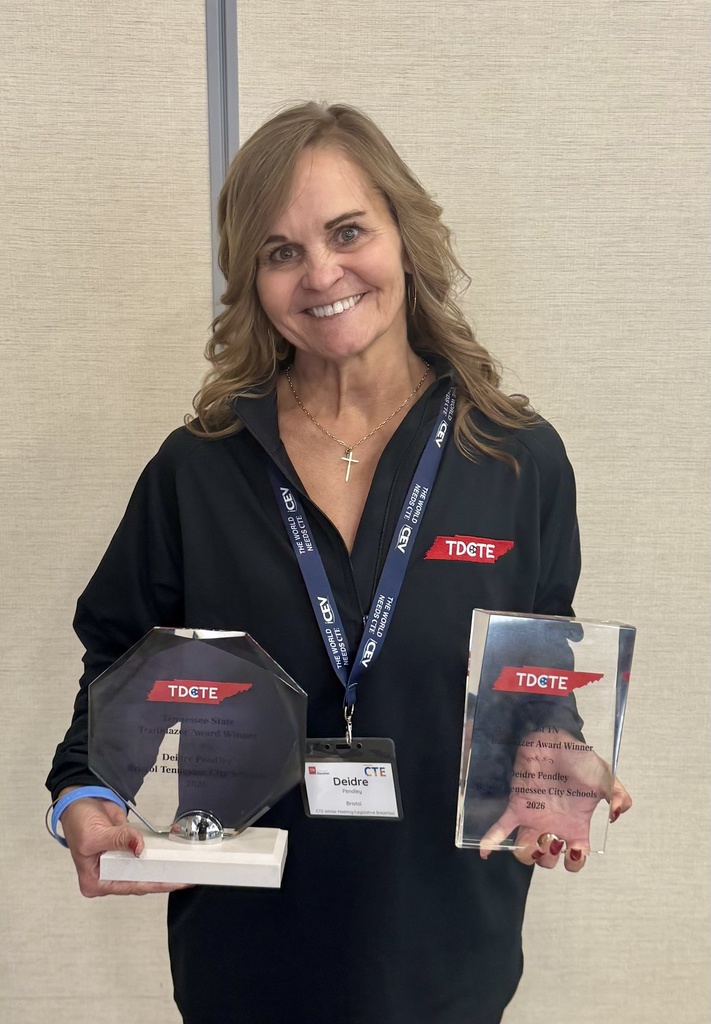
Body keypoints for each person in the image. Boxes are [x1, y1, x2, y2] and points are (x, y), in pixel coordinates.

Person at [46, 102, 631, 1024]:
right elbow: (117, 659)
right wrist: (81, 790)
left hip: (447, 952)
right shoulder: (198, 467)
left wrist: (556, 753)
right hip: (247, 954)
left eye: (347, 231)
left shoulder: (515, 459)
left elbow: (534, 669)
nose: (321, 273)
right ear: (252, 280)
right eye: (280, 252)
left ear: (403, 234)